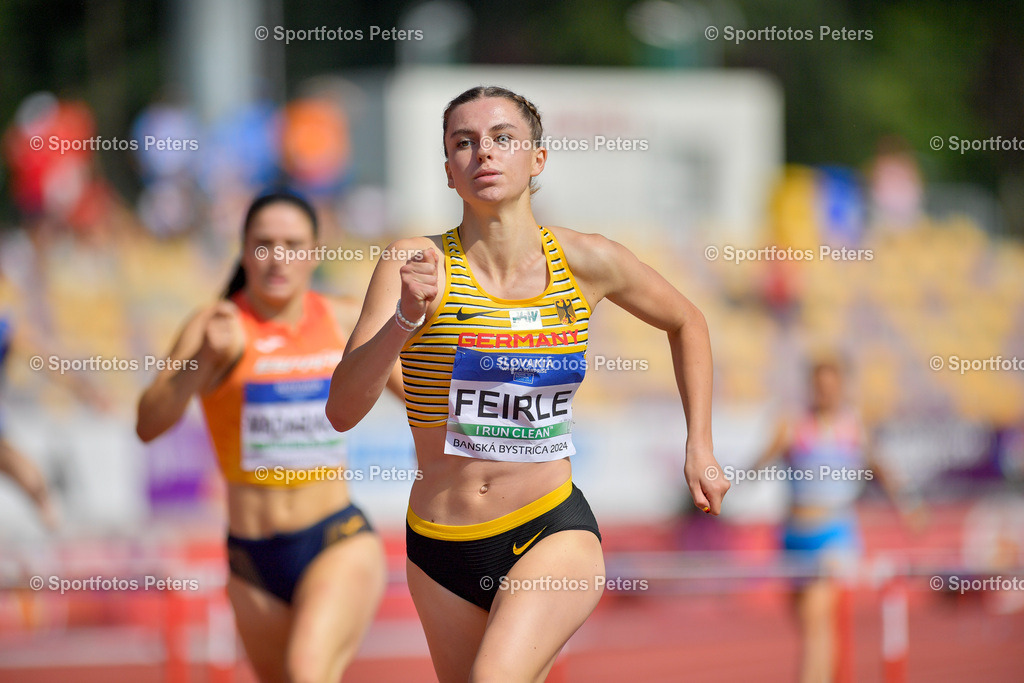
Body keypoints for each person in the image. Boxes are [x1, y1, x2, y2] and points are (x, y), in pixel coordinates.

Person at [326, 86, 729, 682]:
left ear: (537, 158)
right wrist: (405, 319)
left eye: (502, 138)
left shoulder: (587, 260)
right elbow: (341, 409)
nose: (483, 153)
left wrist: (701, 447)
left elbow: (687, 321)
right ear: (448, 171)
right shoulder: (413, 263)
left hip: (548, 528)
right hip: (440, 545)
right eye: (464, 143)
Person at [136, 191, 402, 683]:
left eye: (293, 244)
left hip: (335, 539)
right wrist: (201, 365)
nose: (278, 258)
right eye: (264, 245)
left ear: (315, 251)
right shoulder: (216, 325)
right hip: (250, 558)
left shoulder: (345, 319)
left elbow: (421, 398)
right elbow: (148, 425)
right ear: (243, 250)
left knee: (308, 671)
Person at [753, 355, 922, 683]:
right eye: (819, 386)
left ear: (842, 387)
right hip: (793, 534)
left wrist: (910, 505)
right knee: (806, 624)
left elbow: (882, 469)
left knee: (818, 622)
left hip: (834, 532)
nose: (825, 393)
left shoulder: (853, 426)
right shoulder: (792, 423)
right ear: (811, 387)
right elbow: (759, 461)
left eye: (832, 386)